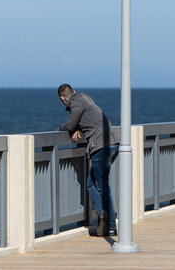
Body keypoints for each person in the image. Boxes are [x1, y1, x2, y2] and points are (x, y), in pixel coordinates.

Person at [57, 84, 119, 237]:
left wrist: (63, 128)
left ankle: (110, 225)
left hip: (100, 146)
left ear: (63, 99)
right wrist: (77, 127)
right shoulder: (85, 98)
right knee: (92, 183)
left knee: (102, 186)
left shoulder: (76, 102)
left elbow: (70, 123)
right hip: (112, 143)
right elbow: (82, 119)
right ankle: (103, 215)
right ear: (74, 91)